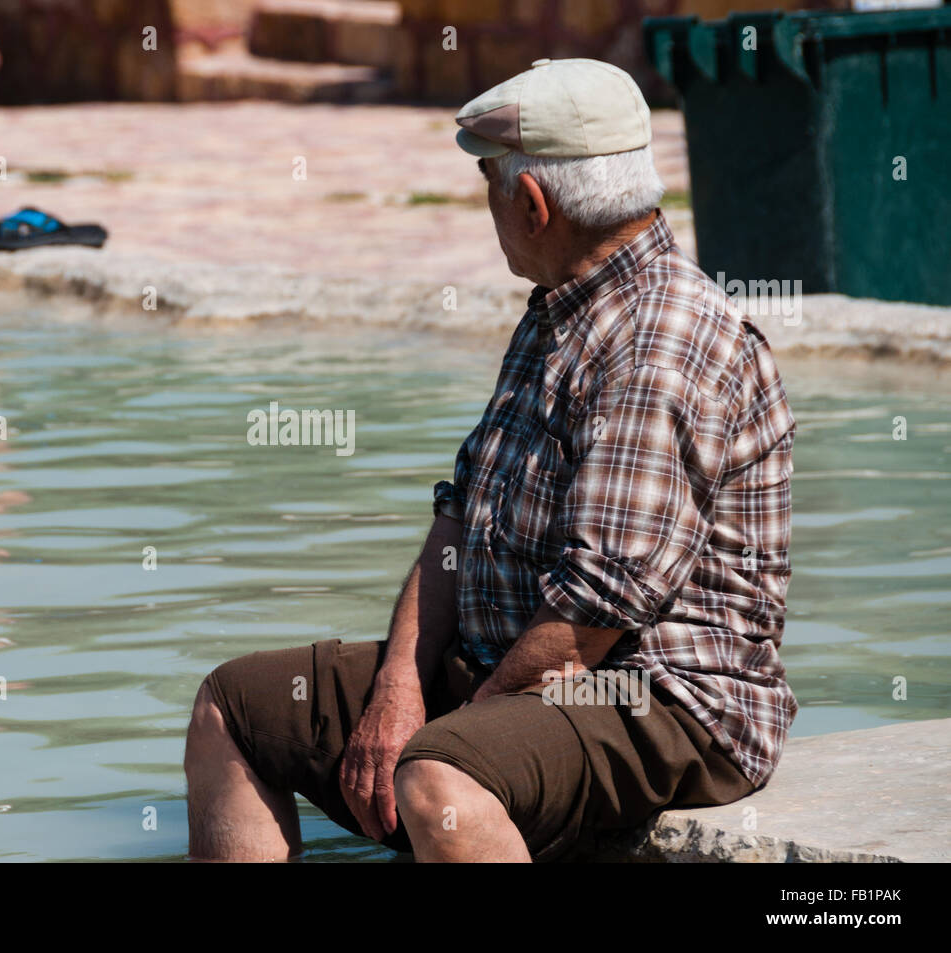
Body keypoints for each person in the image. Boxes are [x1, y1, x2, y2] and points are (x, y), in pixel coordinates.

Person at [184, 58, 798, 862]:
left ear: (532, 203)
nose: (487, 205)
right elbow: (459, 516)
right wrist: (401, 684)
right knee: (233, 703)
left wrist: (461, 725)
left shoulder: (662, 341)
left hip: (666, 699)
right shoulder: (560, 305)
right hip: (509, 668)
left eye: (488, 183)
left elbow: (598, 611)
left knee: (439, 778)